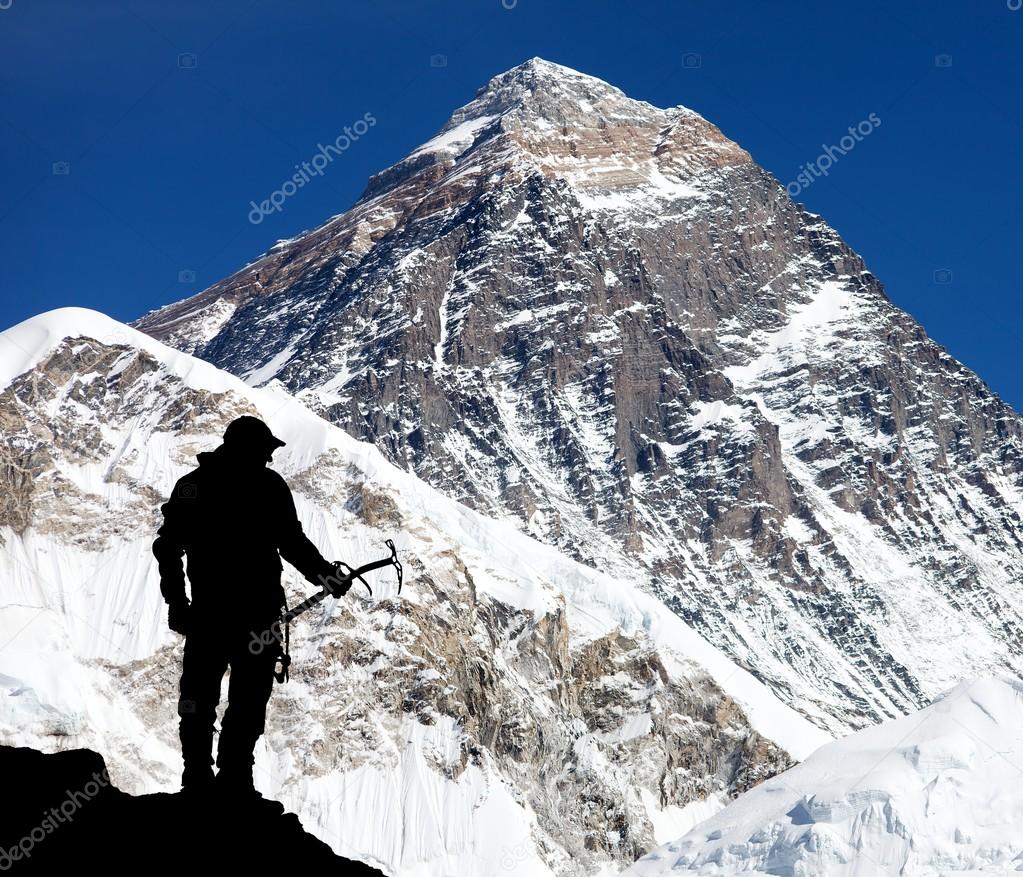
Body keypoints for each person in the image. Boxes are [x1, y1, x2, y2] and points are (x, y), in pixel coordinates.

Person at [152, 415, 350, 804]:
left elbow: (168, 548)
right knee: (247, 699)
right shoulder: (268, 487)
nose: (269, 459)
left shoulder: (193, 487)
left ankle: (199, 781)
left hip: (208, 617)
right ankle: (234, 781)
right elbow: (292, 543)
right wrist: (325, 576)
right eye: (265, 451)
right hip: (257, 618)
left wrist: (178, 602)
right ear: (249, 449)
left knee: (198, 699)